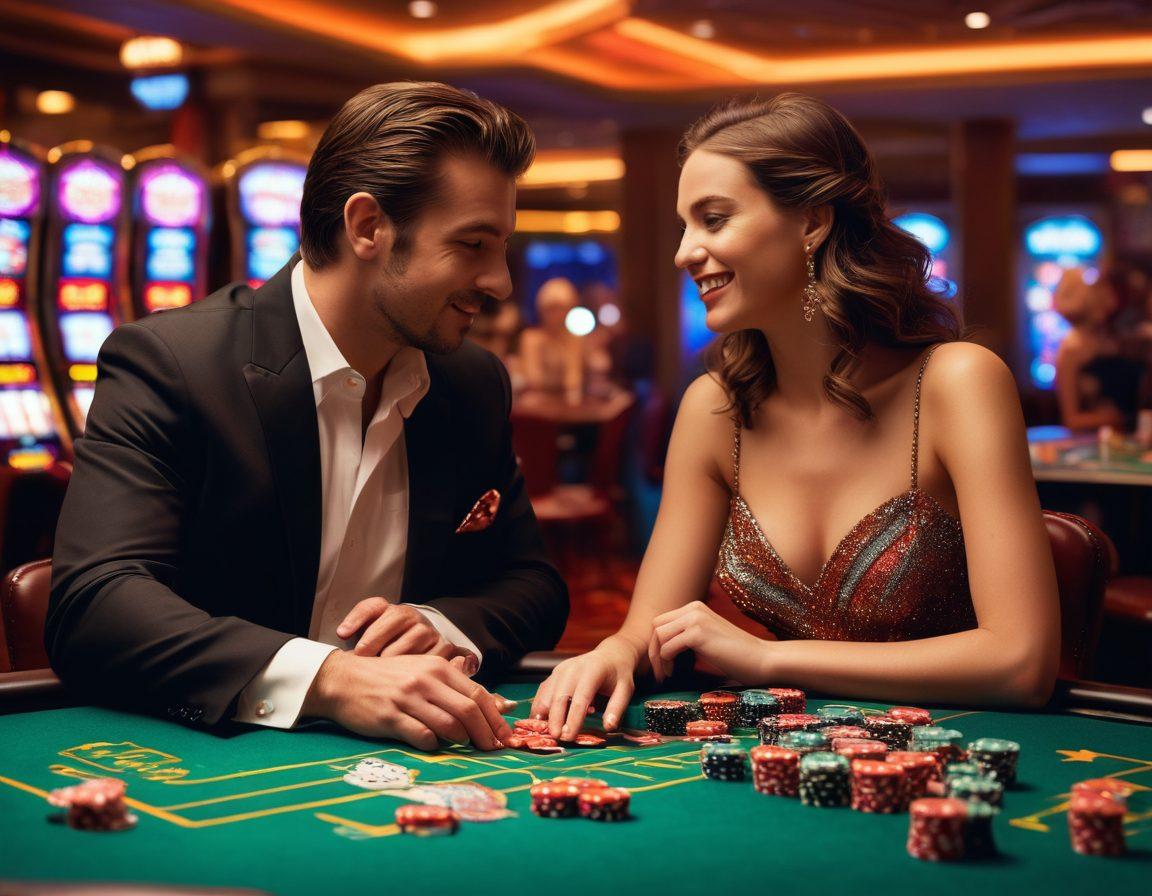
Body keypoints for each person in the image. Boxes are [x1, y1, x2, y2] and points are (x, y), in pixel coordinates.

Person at [47, 82, 569, 751]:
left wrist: (442, 624)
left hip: (401, 765)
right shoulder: (173, 364)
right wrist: (332, 678)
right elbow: (95, 603)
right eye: (473, 245)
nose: (500, 282)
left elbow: (533, 585)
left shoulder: (470, 383)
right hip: (217, 763)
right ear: (367, 227)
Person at [532, 94, 1060, 738]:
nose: (684, 252)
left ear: (811, 222)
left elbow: (1022, 661)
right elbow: (650, 625)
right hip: (794, 751)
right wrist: (616, 650)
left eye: (714, 220)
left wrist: (768, 658)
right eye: (683, 226)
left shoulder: (956, 384)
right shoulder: (714, 409)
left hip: (966, 751)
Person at [1053, 266, 1143, 431]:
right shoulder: (1070, 351)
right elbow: (1071, 420)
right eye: (1100, 292)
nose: (1110, 298)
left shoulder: (1116, 340)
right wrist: (1115, 418)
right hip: (1096, 445)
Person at [519, 277, 609, 403]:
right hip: (540, 404)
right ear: (542, 309)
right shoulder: (531, 338)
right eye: (552, 309)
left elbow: (575, 381)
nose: (557, 315)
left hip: (569, 405)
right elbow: (533, 379)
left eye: (562, 309)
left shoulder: (575, 339)